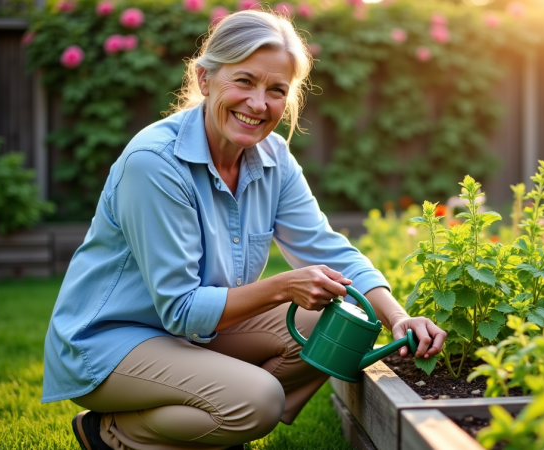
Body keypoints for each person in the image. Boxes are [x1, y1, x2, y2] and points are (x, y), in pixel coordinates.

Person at [41, 10, 446, 450]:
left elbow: (326, 248)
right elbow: (180, 308)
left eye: (276, 90)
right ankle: (111, 434)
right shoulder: (155, 163)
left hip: (192, 336)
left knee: (342, 323)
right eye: (244, 81)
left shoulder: (274, 158)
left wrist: (397, 317)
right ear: (205, 79)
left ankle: (220, 417)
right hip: (111, 343)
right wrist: (283, 287)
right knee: (258, 400)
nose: (258, 104)